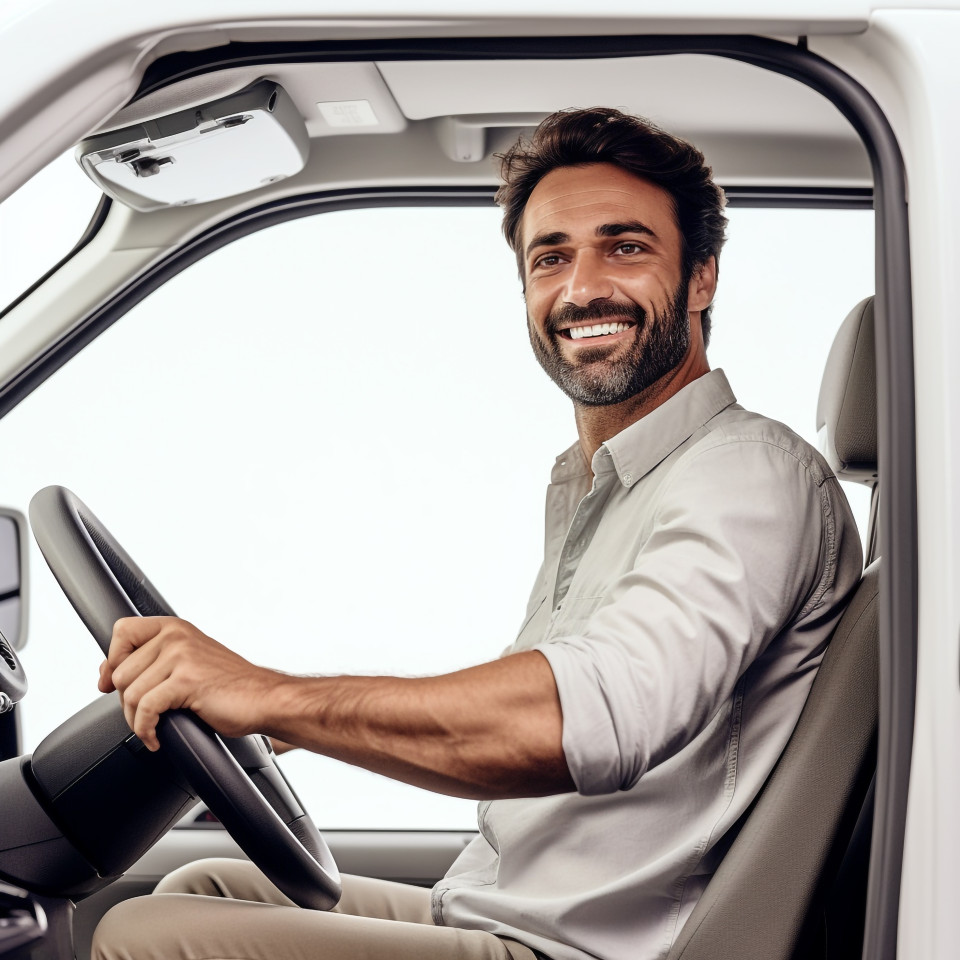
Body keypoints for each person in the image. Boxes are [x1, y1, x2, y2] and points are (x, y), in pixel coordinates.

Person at [91, 107, 863, 960]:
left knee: (145, 936)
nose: (582, 289)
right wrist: (278, 714)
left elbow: (581, 721)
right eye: (551, 258)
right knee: (204, 886)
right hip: (506, 909)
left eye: (626, 247)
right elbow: (528, 731)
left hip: (592, 950)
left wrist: (276, 697)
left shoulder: (748, 473)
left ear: (703, 276)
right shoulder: (601, 484)